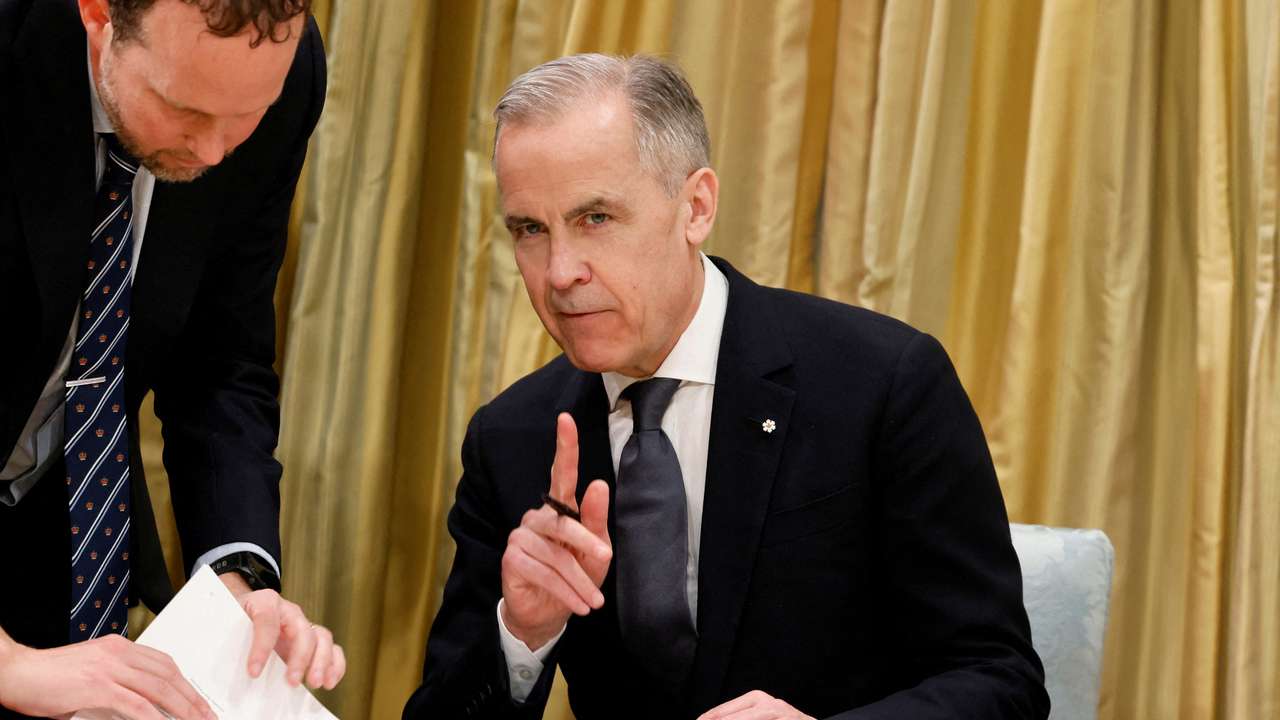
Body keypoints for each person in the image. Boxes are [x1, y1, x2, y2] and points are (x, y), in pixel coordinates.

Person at [404, 53, 1049, 720]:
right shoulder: (513, 438)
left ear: (696, 207)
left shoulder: (882, 385)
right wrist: (522, 634)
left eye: (595, 218)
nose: (561, 272)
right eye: (531, 230)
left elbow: (1000, 682)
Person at [0, 1, 344, 717]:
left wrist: (237, 576)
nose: (216, 152)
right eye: (185, 108)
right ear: (97, 14)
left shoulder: (280, 72)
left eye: (246, 114)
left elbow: (225, 356)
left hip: (59, 534)